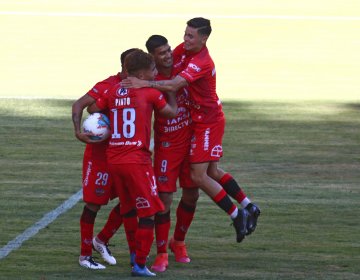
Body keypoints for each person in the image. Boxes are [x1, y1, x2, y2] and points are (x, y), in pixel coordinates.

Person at [122, 17, 260, 244]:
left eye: (190, 36)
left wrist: (144, 83)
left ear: (203, 39)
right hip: (199, 122)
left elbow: (175, 85)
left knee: (198, 176)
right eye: (185, 34)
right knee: (213, 172)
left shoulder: (201, 61)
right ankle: (249, 206)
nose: (184, 40)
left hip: (207, 121)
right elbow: (162, 64)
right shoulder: (182, 52)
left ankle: (237, 215)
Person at [89, 49, 178, 277]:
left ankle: (132, 256)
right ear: (141, 73)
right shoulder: (149, 92)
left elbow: (93, 108)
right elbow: (171, 112)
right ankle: (139, 264)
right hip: (136, 161)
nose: (156, 73)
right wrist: (172, 91)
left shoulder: (113, 90)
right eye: (152, 70)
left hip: (114, 158)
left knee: (129, 208)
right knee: (148, 213)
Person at [72, 48, 139, 270]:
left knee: (132, 198)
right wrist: (78, 132)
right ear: (124, 68)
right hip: (99, 157)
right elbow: (80, 105)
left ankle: (101, 239)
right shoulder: (108, 85)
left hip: (122, 155)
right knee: (93, 205)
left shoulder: (140, 84)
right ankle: (84, 256)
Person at [145, 35, 199, 272]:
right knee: (165, 199)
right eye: (162, 53)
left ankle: (178, 241)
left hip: (190, 141)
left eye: (168, 50)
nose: (168, 55)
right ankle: (161, 253)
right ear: (153, 57)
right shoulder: (150, 76)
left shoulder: (181, 62)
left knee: (192, 195)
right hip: (167, 146)